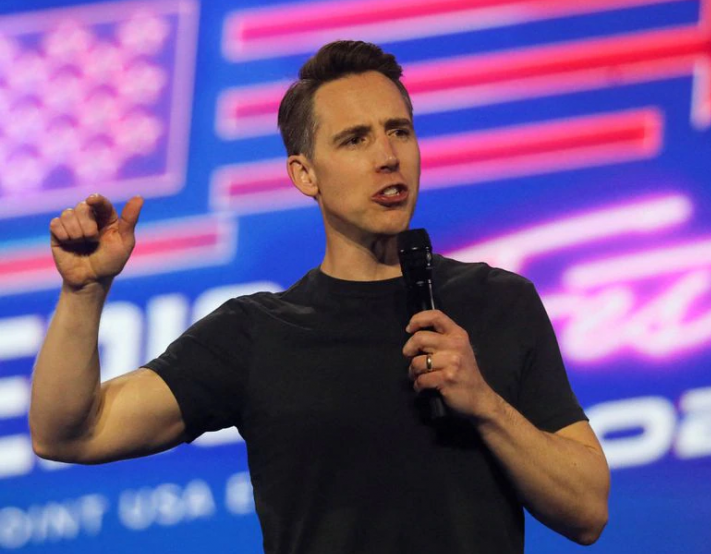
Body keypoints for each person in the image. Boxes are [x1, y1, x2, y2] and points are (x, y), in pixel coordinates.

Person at [29, 41, 609, 553]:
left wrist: (484, 403)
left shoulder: (498, 301)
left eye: (399, 130)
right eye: (355, 139)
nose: (388, 155)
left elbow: (587, 511)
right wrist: (84, 292)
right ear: (305, 175)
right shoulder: (257, 333)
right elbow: (69, 433)